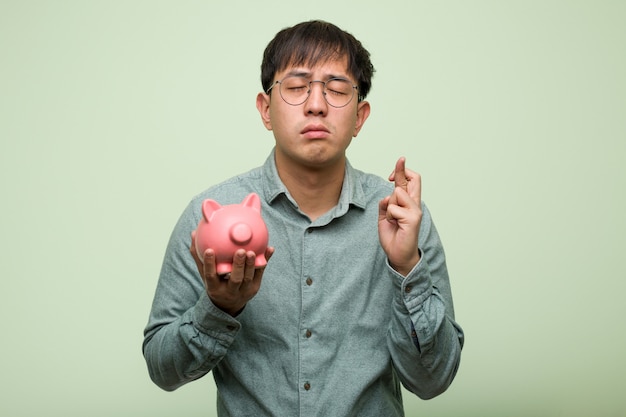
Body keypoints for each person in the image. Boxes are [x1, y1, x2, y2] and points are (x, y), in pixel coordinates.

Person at [143, 20, 464, 417]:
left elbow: (434, 381)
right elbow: (162, 369)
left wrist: (406, 268)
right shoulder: (208, 214)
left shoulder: (401, 217)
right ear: (265, 109)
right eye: (296, 87)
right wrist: (219, 308)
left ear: (360, 117)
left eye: (337, 88)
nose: (316, 104)